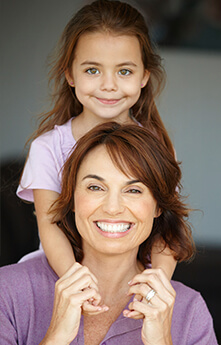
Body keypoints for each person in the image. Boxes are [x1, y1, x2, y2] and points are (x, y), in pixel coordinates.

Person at [0, 122, 218, 345]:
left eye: (133, 190)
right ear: (72, 198)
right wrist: (56, 337)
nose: (112, 208)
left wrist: (162, 341)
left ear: (158, 206)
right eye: (95, 187)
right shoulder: (7, 292)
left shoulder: (190, 312)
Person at [17, 0, 178, 282]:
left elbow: (168, 227)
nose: (108, 85)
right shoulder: (47, 148)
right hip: (59, 278)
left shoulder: (157, 146)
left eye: (124, 71)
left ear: (144, 76)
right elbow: (49, 226)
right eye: (93, 70)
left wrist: (158, 282)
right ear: (70, 74)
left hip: (129, 282)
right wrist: (75, 281)